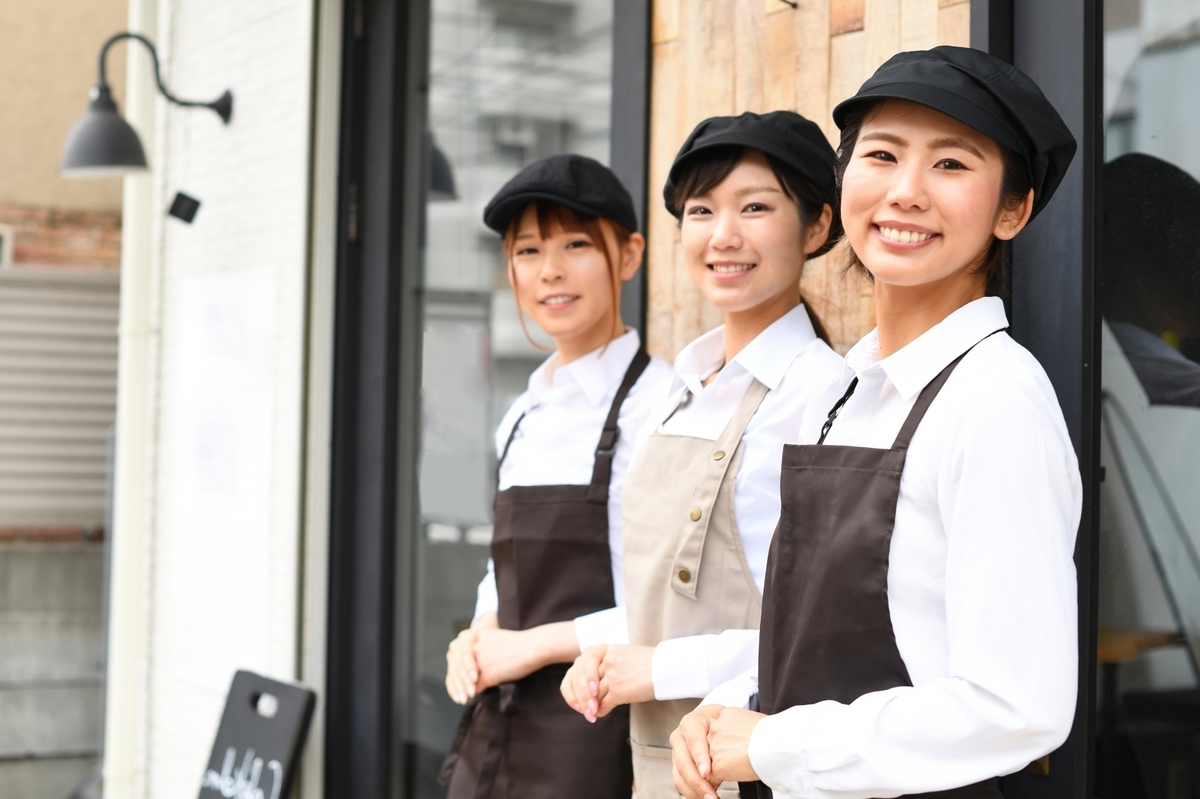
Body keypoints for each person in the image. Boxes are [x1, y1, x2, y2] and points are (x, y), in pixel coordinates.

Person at [670, 46, 1083, 799]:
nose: (906, 192)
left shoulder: (995, 400)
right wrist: (730, 703)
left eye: (951, 165)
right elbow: (811, 638)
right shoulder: (847, 391)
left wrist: (772, 739)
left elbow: (1018, 706)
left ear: (1012, 209)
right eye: (882, 155)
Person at [559, 112, 846, 799]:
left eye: (755, 207)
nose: (723, 235)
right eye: (701, 210)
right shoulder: (679, 388)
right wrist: (601, 655)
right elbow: (659, 592)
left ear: (815, 226)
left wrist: (655, 668)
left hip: (758, 764)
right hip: (659, 765)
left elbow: (821, 635)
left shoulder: (820, 393)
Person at [438, 154, 673, 799]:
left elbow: (670, 609)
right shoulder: (523, 411)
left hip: (599, 728)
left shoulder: (662, 407)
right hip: (501, 718)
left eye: (575, 244)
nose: (551, 272)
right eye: (528, 251)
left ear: (629, 255)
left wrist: (533, 647)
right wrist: (480, 632)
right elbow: (504, 565)